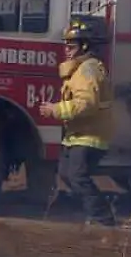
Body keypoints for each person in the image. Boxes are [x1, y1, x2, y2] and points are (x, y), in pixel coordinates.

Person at [39, 16, 115, 226]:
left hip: (90, 136)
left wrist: (55, 110)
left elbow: (87, 103)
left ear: (85, 46)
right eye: (66, 44)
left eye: (71, 45)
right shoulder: (80, 69)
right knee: (66, 173)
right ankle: (94, 214)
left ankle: (103, 220)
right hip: (77, 135)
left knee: (78, 176)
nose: (66, 49)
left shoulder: (87, 70)